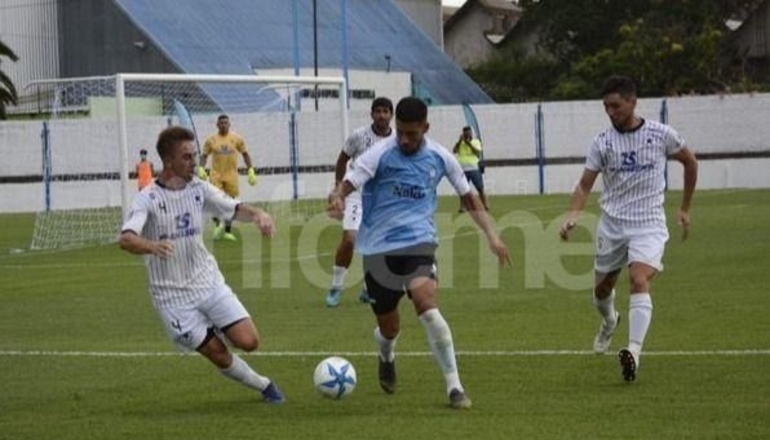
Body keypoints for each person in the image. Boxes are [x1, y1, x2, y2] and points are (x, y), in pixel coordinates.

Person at [327, 97, 511, 409]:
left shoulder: (441, 157)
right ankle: (386, 354)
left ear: (426, 127)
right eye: (400, 132)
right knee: (389, 327)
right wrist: (337, 194)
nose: (404, 139)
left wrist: (492, 235)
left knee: (426, 304)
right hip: (378, 248)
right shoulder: (380, 153)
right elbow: (351, 180)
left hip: (419, 243)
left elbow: (468, 198)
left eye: (412, 133)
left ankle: (454, 386)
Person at [119, 126, 285, 403]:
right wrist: (152, 246)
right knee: (218, 353)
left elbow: (233, 208)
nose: (193, 161)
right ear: (168, 161)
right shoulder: (147, 199)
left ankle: (217, 325)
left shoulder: (199, 188)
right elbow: (126, 239)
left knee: (250, 342)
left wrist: (258, 214)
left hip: (207, 283)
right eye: (186, 157)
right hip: (172, 298)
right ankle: (264, 385)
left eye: (194, 155)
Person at [559, 75, 698, 382]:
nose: (611, 112)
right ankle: (610, 322)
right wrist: (573, 214)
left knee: (638, 279)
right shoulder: (602, 142)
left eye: (616, 106)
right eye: (606, 107)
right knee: (601, 291)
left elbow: (690, 162)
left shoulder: (661, 134)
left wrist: (685, 207)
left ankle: (633, 351)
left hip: (648, 225)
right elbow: (584, 185)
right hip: (612, 226)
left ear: (633, 102)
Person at [325, 97, 395, 308]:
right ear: (371, 114)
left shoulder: (398, 140)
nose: (382, 115)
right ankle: (336, 287)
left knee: (376, 243)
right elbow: (342, 160)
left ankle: (367, 289)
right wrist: (339, 190)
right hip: (355, 192)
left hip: (382, 197)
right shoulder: (359, 135)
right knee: (350, 239)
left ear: (391, 115)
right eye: (378, 111)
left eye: (386, 111)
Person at [198, 114, 257, 242]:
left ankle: (227, 232)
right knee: (215, 201)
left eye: (226, 123)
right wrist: (201, 168)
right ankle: (218, 224)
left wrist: (251, 170)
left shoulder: (236, 139)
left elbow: (245, 154)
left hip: (231, 176)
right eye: (221, 123)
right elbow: (204, 156)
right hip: (216, 176)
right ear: (217, 125)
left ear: (229, 124)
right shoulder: (211, 140)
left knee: (231, 203)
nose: (223, 125)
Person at [453, 126, 489, 212]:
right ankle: (463, 207)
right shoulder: (460, 143)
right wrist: (459, 141)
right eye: (465, 133)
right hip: (462, 169)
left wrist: (469, 143)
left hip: (474, 168)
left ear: (471, 133)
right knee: (463, 189)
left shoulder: (475, 141)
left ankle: (485, 205)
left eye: (468, 133)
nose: (467, 135)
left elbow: (477, 153)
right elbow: (454, 151)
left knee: (480, 188)